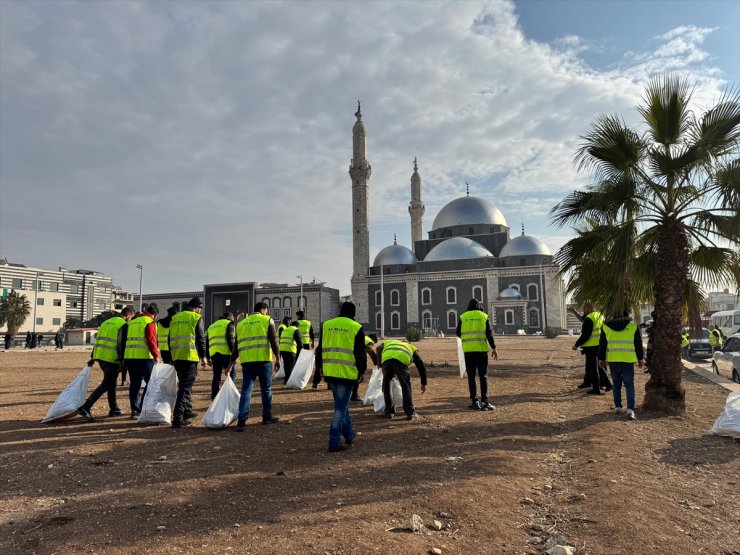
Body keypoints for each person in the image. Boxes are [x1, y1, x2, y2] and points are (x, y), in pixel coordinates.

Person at [315, 301, 366, 452]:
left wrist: (319, 367)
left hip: (330, 371)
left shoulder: (327, 325)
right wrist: (362, 371)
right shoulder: (356, 327)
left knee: (342, 406)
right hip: (346, 372)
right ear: (353, 313)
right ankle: (334, 440)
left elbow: (320, 349)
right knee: (340, 408)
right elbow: (360, 353)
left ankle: (349, 434)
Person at [77, 307, 135, 421]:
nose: (130, 320)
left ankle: (114, 408)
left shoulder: (106, 322)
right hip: (112, 358)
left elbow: (98, 340)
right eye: (131, 318)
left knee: (111, 383)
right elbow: (121, 343)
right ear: (128, 315)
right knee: (107, 383)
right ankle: (86, 407)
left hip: (101, 356)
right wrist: (122, 360)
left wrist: (93, 357)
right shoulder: (123, 325)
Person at [234, 302, 281, 431]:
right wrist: (277, 357)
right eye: (266, 310)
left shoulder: (241, 323)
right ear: (263, 309)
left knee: (246, 390)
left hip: (247, 362)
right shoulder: (267, 320)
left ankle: (242, 420)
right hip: (263, 360)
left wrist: (230, 363)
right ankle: (267, 417)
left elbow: (236, 346)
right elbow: (273, 339)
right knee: (266, 389)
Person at [598, 310, 645, 420]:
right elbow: (638, 344)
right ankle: (630, 409)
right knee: (629, 385)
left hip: (613, 361)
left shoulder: (606, 327)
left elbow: (602, 345)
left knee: (616, 384)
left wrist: (601, 359)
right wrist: (640, 359)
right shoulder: (633, 327)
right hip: (628, 361)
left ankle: (618, 407)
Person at [170, 297, 208, 428]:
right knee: (185, 387)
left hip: (177, 355)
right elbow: (201, 338)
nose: (200, 311)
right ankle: (178, 417)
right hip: (189, 356)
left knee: (184, 385)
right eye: (200, 309)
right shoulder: (196, 318)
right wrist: (203, 356)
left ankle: (187, 411)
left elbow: (170, 338)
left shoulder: (175, 318)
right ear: (197, 308)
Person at [456, 299, 498, 410]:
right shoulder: (484, 316)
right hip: (481, 351)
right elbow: (489, 334)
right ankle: (485, 402)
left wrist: (467, 339)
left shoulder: (463, 316)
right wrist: (493, 348)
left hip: (468, 351)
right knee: (483, 376)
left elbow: (458, 332)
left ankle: (475, 401)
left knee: (471, 376)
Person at [124, 303, 161, 419]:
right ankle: (142, 407)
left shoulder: (132, 322)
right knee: (150, 383)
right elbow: (151, 340)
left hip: (130, 357)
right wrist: (156, 356)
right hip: (145, 358)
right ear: (154, 315)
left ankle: (134, 410)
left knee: (135, 384)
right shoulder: (150, 322)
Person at [376, 339, 428, 420]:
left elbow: (378, 348)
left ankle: (389, 412)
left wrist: (379, 363)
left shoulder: (390, 342)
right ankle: (410, 413)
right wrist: (423, 383)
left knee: (386, 385)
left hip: (386, 360)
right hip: (401, 360)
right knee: (405, 386)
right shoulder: (410, 347)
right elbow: (420, 366)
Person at [572, 305, 612, 394]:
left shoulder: (589, 319)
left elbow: (585, 335)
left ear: (587, 308)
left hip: (591, 346)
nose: (582, 309)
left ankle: (596, 389)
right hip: (600, 345)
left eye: (583, 308)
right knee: (599, 366)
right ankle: (608, 384)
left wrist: (576, 344)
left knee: (594, 369)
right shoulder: (599, 315)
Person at [207, 311, 237, 399]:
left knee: (216, 377)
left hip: (215, 355)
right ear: (231, 318)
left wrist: (208, 357)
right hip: (227, 354)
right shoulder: (229, 324)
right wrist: (234, 354)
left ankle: (214, 397)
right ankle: (230, 396)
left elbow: (207, 341)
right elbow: (230, 339)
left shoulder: (211, 326)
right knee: (231, 375)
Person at [350, 333, 378, 402]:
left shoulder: (362, 337)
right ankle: (354, 396)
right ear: (373, 340)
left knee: (352, 377)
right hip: (357, 359)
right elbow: (370, 351)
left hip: (349, 357)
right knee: (357, 377)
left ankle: (352, 395)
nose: (373, 345)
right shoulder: (369, 341)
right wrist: (376, 364)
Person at [278, 319, 303, 385]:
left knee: (286, 366)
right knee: (291, 366)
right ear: (297, 326)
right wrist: (299, 353)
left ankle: (286, 381)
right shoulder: (295, 330)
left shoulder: (285, 329)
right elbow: (299, 343)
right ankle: (289, 382)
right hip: (290, 350)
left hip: (283, 350)